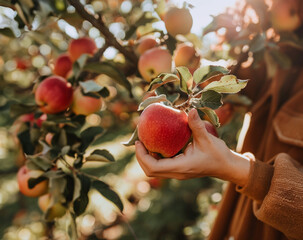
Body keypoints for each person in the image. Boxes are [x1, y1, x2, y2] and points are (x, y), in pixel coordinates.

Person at [135, 63, 303, 239]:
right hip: (239, 217)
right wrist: (196, 72)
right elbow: (242, 80)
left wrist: (235, 167)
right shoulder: (288, 53)